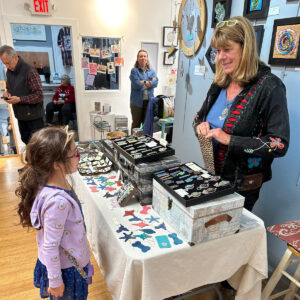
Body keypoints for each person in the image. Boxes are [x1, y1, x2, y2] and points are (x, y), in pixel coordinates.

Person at [193, 16, 290, 211]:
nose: (220, 57)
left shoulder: (270, 87)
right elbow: (199, 117)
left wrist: (230, 140)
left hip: (242, 188)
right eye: (218, 51)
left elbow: (279, 144)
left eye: (227, 50)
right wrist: (200, 126)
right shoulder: (220, 81)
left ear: (245, 49)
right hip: (212, 177)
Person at [15, 127, 92, 299]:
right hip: (65, 270)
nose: (78, 156)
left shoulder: (54, 183)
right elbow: (50, 246)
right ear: (57, 165)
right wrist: (56, 281)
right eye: (74, 153)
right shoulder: (58, 202)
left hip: (68, 259)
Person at [0, 45, 44, 146]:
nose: (7, 66)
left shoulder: (30, 71)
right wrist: (7, 93)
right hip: (20, 115)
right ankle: (31, 161)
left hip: (34, 117)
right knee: (26, 141)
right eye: (4, 64)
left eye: (8, 63)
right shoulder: (9, 72)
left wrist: (20, 99)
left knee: (38, 146)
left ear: (15, 57)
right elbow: (10, 88)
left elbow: (39, 95)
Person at [130, 49, 158, 131]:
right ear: (138, 58)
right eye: (141, 56)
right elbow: (137, 85)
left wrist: (144, 82)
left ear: (147, 58)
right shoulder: (134, 71)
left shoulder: (152, 71)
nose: (143, 58)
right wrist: (149, 83)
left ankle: (145, 142)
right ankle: (134, 142)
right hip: (136, 103)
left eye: (144, 56)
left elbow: (156, 83)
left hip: (149, 102)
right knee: (136, 125)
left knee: (147, 124)